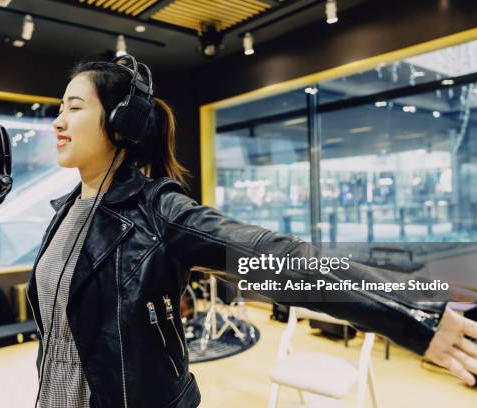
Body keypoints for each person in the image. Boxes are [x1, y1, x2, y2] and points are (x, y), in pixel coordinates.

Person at [25, 54, 477, 408]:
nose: (58, 121)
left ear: (120, 124)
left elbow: (282, 260)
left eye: (75, 107)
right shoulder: (64, 212)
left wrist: (413, 314)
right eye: (60, 107)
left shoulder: (158, 211)